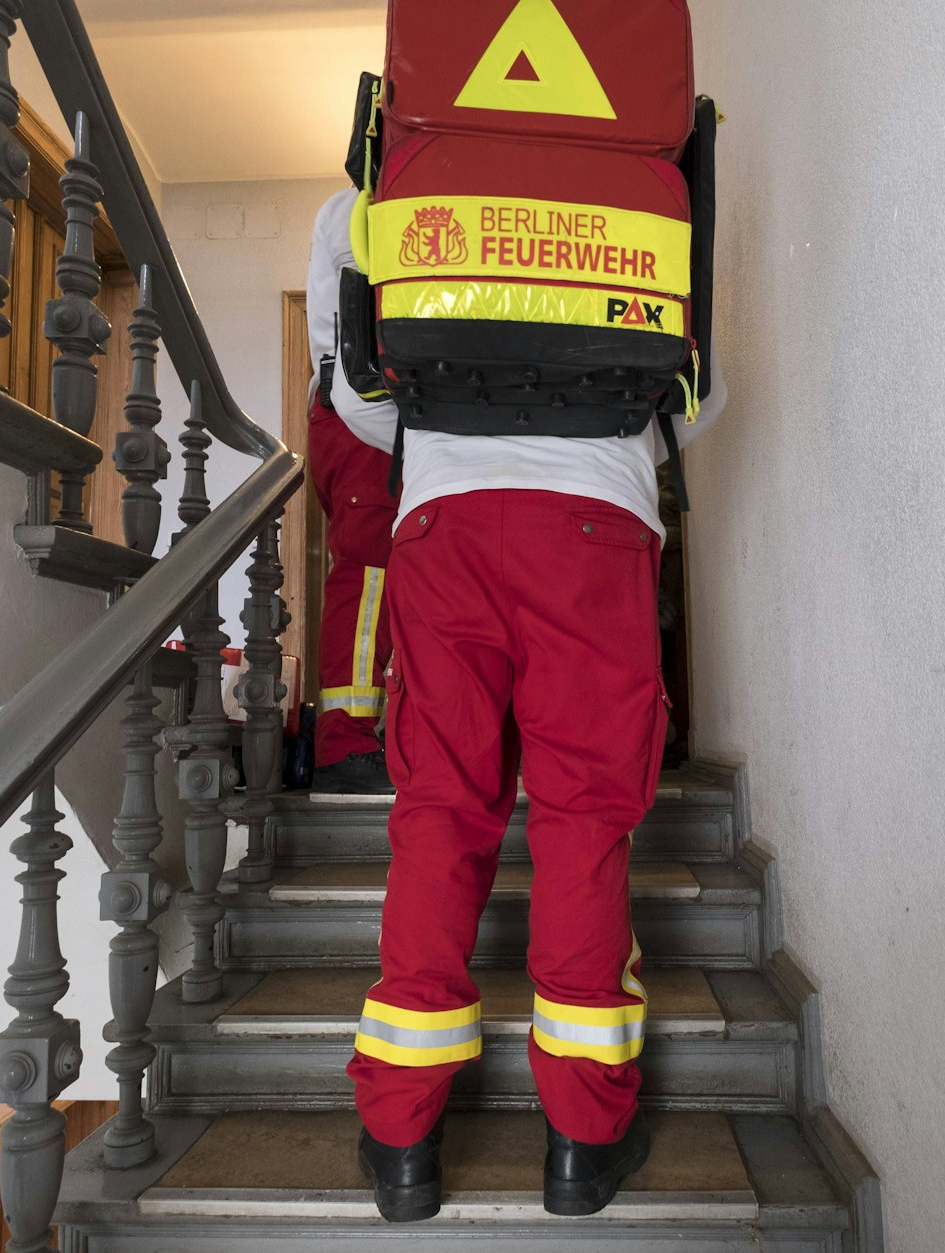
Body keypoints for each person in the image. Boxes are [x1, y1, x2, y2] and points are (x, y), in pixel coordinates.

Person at [326, 226, 726, 1220]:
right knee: (583, 815)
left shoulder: (369, 189)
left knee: (439, 811)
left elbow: (354, 396)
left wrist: (467, 437)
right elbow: (699, 387)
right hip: (594, 518)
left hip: (443, 523)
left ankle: (401, 1137)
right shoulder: (645, 170)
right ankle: (582, 1142)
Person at [303, 187, 398, 795]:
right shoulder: (356, 209)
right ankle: (343, 744)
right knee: (368, 576)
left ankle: (372, 736)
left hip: (369, 415)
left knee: (391, 581)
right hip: (362, 412)